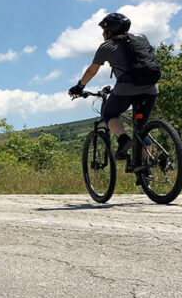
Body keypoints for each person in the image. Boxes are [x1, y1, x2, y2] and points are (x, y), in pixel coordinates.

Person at [68, 13, 159, 180]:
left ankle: (124, 140)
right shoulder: (142, 38)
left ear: (109, 32)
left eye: (104, 31)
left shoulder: (107, 46)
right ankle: (145, 169)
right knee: (141, 126)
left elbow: (91, 71)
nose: (103, 35)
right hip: (151, 88)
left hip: (126, 89)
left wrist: (79, 87)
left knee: (109, 114)